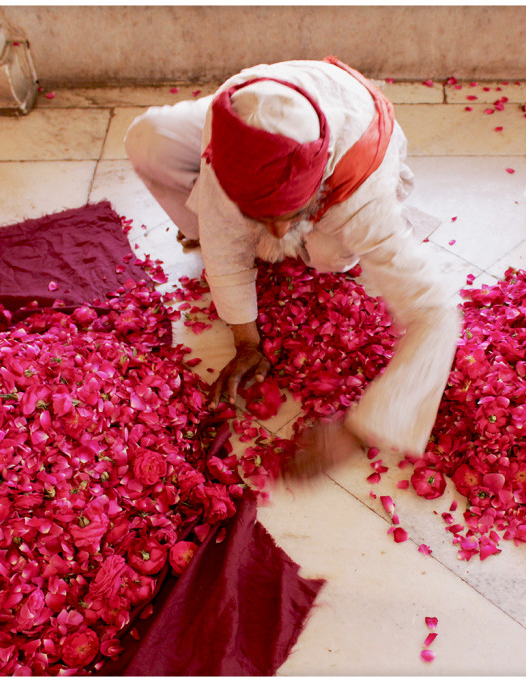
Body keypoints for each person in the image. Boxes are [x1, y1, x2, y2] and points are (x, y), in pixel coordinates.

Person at [125, 56, 462, 477]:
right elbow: (223, 231)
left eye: (290, 212)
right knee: (148, 140)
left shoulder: (362, 197)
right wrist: (246, 341)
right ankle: (254, 212)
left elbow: (436, 314)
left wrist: (357, 431)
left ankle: (345, 222)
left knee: (327, 254)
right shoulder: (231, 127)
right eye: (261, 215)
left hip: (357, 149)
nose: (278, 229)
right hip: (273, 118)